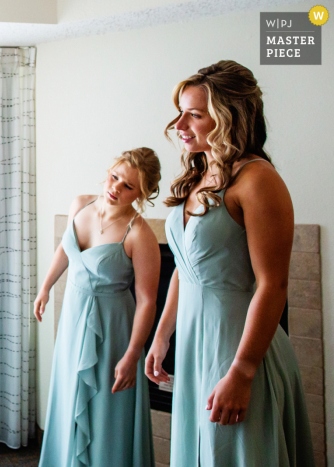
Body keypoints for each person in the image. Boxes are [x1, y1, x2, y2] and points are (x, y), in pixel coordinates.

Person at [145, 60, 315, 466]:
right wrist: (162, 335)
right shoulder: (201, 173)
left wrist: (242, 370)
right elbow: (187, 272)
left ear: (228, 118)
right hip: (194, 342)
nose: (179, 123)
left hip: (237, 346)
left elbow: (273, 285)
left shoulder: (257, 180)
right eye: (181, 110)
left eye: (195, 114)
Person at [35, 148, 161, 467]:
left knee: (106, 408)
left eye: (128, 186)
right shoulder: (81, 204)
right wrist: (46, 287)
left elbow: (147, 300)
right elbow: (65, 250)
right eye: (114, 176)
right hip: (74, 318)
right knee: (69, 396)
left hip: (113, 328)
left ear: (143, 194)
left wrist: (133, 354)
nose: (115, 187)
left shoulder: (139, 234)